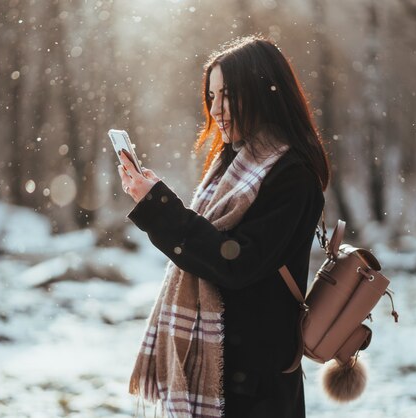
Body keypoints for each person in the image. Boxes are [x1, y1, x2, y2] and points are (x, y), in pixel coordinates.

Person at [117, 36, 330, 418]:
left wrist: (158, 208)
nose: (216, 109)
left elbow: (235, 262)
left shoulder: (291, 174)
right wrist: (153, 203)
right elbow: (214, 247)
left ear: (264, 92)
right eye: (211, 96)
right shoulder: (232, 165)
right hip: (226, 375)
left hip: (257, 384)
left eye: (227, 95)